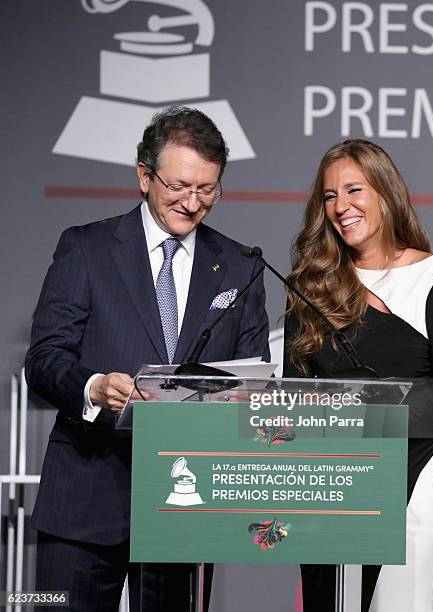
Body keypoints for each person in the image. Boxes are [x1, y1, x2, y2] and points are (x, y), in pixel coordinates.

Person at [25, 106, 270, 611]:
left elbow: (252, 376)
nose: (193, 202)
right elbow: (45, 357)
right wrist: (93, 387)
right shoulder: (86, 248)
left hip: (183, 505)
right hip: (85, 502)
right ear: (144, 175)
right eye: (180, 185)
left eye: (208, 189)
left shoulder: (240, 266)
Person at [283, 139, 433, 612]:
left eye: (353, 190)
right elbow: (292, 396)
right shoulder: (311, 286)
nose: (341, 207)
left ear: (385, 192)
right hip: (327, 488)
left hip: (409, 483)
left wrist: (359, 404)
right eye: (329, 196)